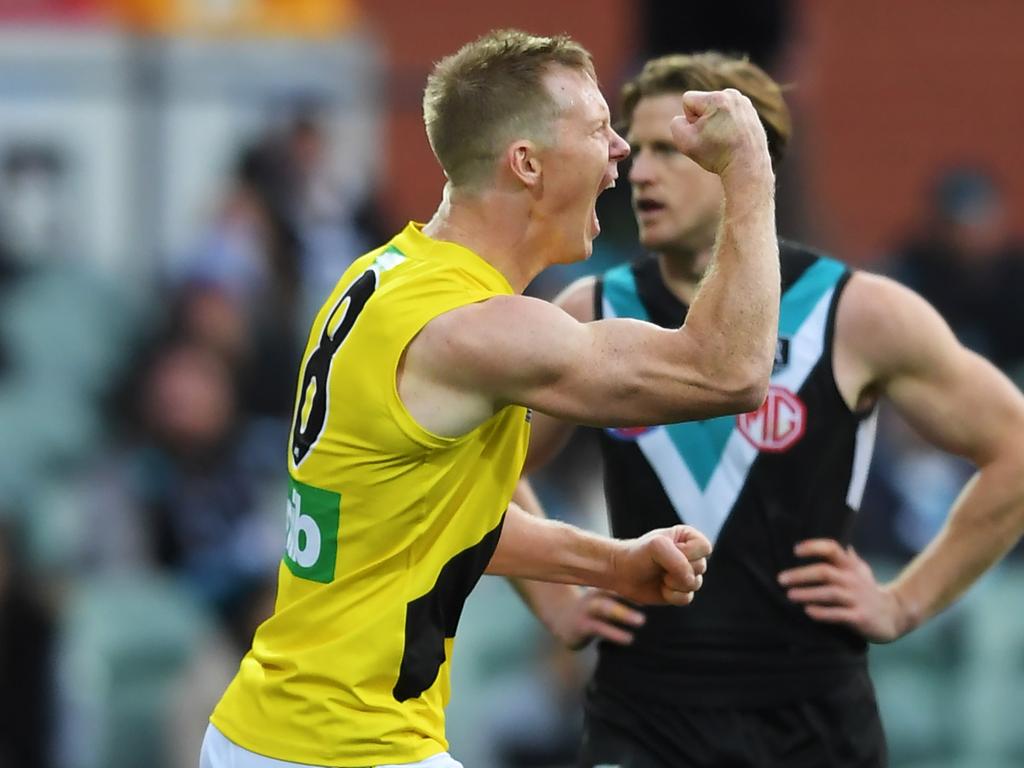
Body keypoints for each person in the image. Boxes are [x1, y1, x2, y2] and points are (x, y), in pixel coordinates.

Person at [202, 30, 782, 768]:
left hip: (274, 732)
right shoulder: (479, 331)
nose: (621, 151)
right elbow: (729, 371)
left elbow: (428, 524)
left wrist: (612, 564)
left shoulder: (383, 275)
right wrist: (750, 172)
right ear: (528, 163)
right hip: (340, 748)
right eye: (599, 128)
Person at [515, 52, 1024, 768]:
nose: (642, 172)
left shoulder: (854, 313)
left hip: (814, 719)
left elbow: (1016, 449)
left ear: (745, 161)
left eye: (673, 147)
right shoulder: (593, 310)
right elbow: (481, 463)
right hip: (645, 713)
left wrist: (904, 602)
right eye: (637, 146)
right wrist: (555, 598)